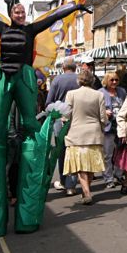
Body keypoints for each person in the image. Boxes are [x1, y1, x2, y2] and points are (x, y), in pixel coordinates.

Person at [0, 0, 89, 236]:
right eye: (17, 11)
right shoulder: (2, 27)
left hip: (24, 76)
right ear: (12, 13)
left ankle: (27, 205)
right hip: (5, 77)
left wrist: (76, 8)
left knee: (29, 125)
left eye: (23, 12)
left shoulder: (32, 29)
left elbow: (55, 16)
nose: (21, 14)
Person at [63, 70, 107, 205]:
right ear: (92, 80)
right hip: (94, 134)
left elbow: (66, 116)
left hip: (76, 134)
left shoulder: (71, 94)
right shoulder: (99, 95)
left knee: (81, 166)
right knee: (89, 165)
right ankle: (86, 190)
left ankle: (86, 193)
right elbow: (103, 118)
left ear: (79, 80)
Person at [46, 57, 81, 195]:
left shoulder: (57, 80)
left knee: (62, 152)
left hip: (60, 120)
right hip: (78, 120)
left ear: (63, 68)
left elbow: (49, 102)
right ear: (75, 67)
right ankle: (71, 184)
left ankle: (63, 180)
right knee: (74, 150)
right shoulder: (80, 80)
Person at [98, 72, 127, 189]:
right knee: (107, 154)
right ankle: (108, 178)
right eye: (112, 80)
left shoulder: (122, 92)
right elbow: (95, 108)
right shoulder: (100, 92)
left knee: (120, 152)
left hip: (120, 126)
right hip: (108, 126)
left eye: (116, 80)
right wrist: (104, 112)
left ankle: (118, 174)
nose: (114, 82)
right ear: (106, 81)